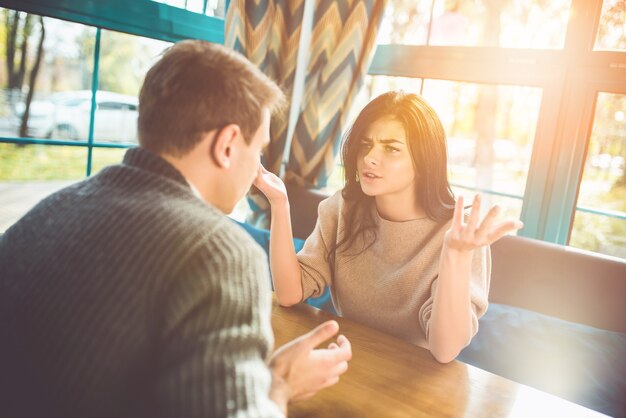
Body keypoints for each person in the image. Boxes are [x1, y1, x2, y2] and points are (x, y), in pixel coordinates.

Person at [0, 40, 351, 418]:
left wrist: (245, 382)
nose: (256, 171)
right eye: (258, 150)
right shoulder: (218, 252)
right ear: (229, 144)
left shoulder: (50, 209)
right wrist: (280, 387)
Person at [254, 90, 523, 364]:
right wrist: (280, 203)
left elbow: (445, 350)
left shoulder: (461, 234)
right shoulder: (342, 209)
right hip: (348, 362)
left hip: (414, 382)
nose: (370, 158)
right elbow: (289, 294)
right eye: (366, 144)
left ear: (424, 160)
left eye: (391, 148)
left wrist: (455, 254)